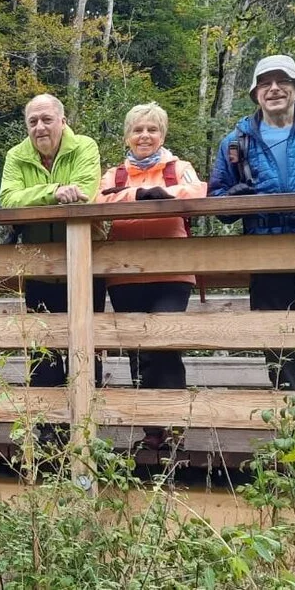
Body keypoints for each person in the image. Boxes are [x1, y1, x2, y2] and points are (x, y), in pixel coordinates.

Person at [210, 54, 295, 391]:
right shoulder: (236, 141)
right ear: (255, 92)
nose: (274, 88)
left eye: (282, 81)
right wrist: (233, 198)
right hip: (265, 248)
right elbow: (218, 203)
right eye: (265, 83)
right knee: (276, 338)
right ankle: (293, 415)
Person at [97, 103, 206, 448]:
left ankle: (175, 430)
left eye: (152, 129)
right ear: (127, 136)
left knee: (166, 347)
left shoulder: (179, 169)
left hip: (172, 272)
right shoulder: (114, 175)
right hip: (124, 274)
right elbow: (98, 202)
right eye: (138, 130)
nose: (145, 136)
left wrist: (164, 194)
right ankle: (151, 433)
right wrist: (140, 195)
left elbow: (199, 193)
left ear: (163, 134)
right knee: (138, 351)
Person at [0, 94, 104, 444]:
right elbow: (8, 199)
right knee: (42, 350)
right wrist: (54, 191)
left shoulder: (85, 146)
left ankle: (86, 429)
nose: (40, 127)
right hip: (39, 267)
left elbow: (85, 192)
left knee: (87, 348)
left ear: (63, 120)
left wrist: (41, 195)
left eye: (46, 119)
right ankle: (48, 432)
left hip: (85, 266)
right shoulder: (16, 155)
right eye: (33, 122)